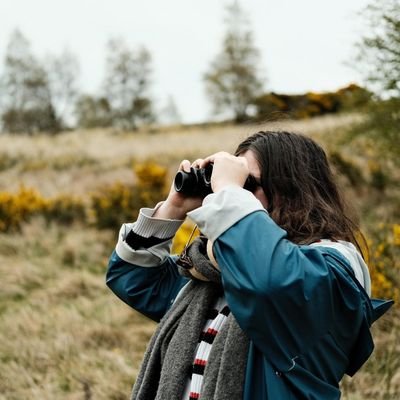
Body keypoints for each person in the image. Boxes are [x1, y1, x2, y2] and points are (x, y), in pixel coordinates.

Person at [106, 130, 393, 400]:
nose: (228, 193)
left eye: (247, 183)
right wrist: (174, 207)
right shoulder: (216, 270)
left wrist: (229, 192)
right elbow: (134, 277)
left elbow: (271, 281)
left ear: (291, 191)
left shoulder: (330, 269)